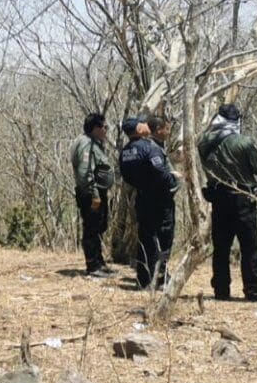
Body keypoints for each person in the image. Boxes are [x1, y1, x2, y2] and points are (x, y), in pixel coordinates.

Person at [199, 103, 257, 302]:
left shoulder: (204, 143)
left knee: (221, 247)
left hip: (218, 198)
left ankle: (221, 291)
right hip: (242, 200)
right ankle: (253, 291)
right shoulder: (244, 142)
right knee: (249, 246)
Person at [119, 114, 178, 291]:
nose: (147, 125)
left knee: (145, 237)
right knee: (163, 236)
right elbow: (161, 174)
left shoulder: (125, 151)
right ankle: (160, 277)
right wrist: (175, 182)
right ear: (139, 129)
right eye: (143, 124)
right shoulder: (149, 148)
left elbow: (126, 177)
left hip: (142, 198)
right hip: (159, 200)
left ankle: (144, 277)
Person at [70, 113, 115, 277]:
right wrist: (94, 194)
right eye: (104, 127)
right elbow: (84, 172)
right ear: (96, 128)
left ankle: (99, 262)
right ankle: (93, 266)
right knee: (91, 228)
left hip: (97, 192)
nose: (106, 130)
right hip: (90, 193)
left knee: (97, 227)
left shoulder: (94, 143)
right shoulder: (85, 144)